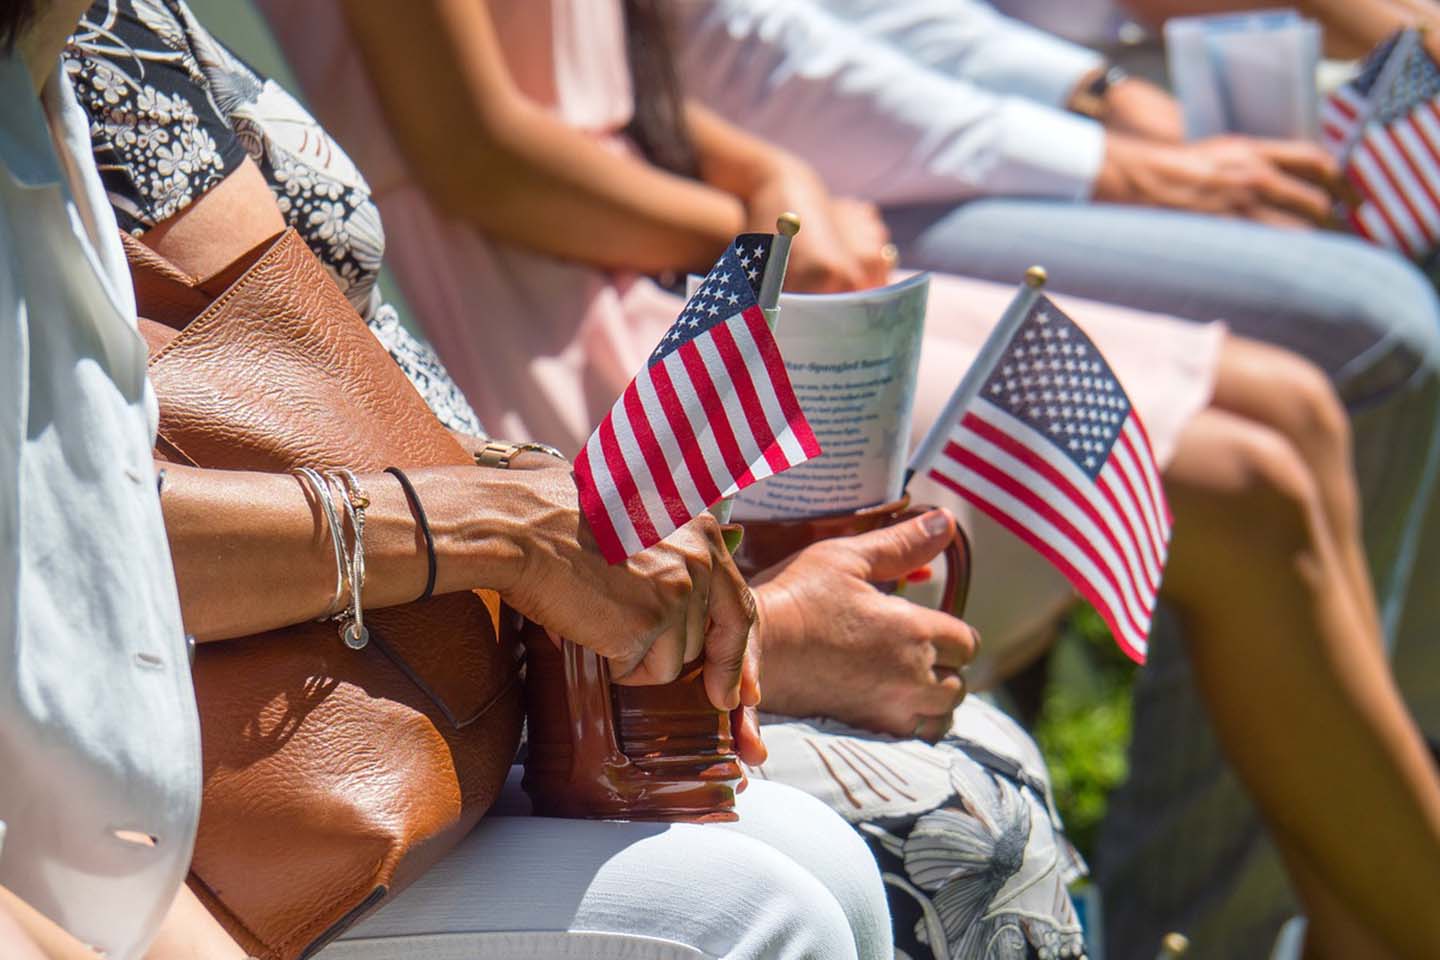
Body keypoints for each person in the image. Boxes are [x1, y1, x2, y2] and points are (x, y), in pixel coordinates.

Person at [251, 0, 1440, 956]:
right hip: (569, 322)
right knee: (1246, 489)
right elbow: (483, 158)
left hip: (673, 255)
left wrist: (771, 177)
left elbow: (646, 73)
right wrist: (742, 223)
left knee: (1285, 431)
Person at [2, 1, 895, 956]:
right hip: (203, 797)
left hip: (430, 677)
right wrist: (503, 529)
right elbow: (64, 530)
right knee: (769, 904)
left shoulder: (50, 72)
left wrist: (545, 514)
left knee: (828, 862)